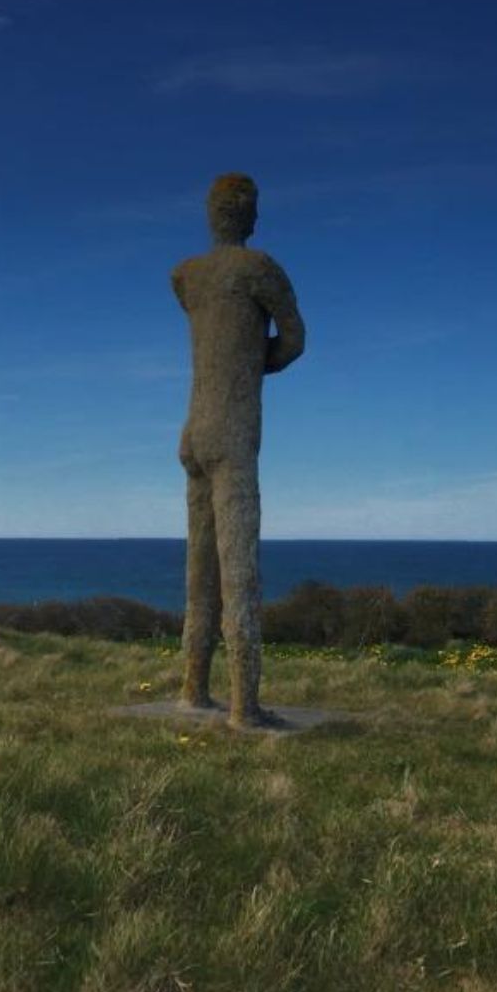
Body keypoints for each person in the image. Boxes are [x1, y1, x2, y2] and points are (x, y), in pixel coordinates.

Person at [171, 172, 305, 726]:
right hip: (231, 434)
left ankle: (192, 690)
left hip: (192, 433)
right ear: (250, 215)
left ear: (210, 214)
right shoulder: (259, 269)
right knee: (238, 575)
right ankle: (243, 708)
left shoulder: (186, 276)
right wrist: (254, 363)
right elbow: (294, 340)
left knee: (198, 575)